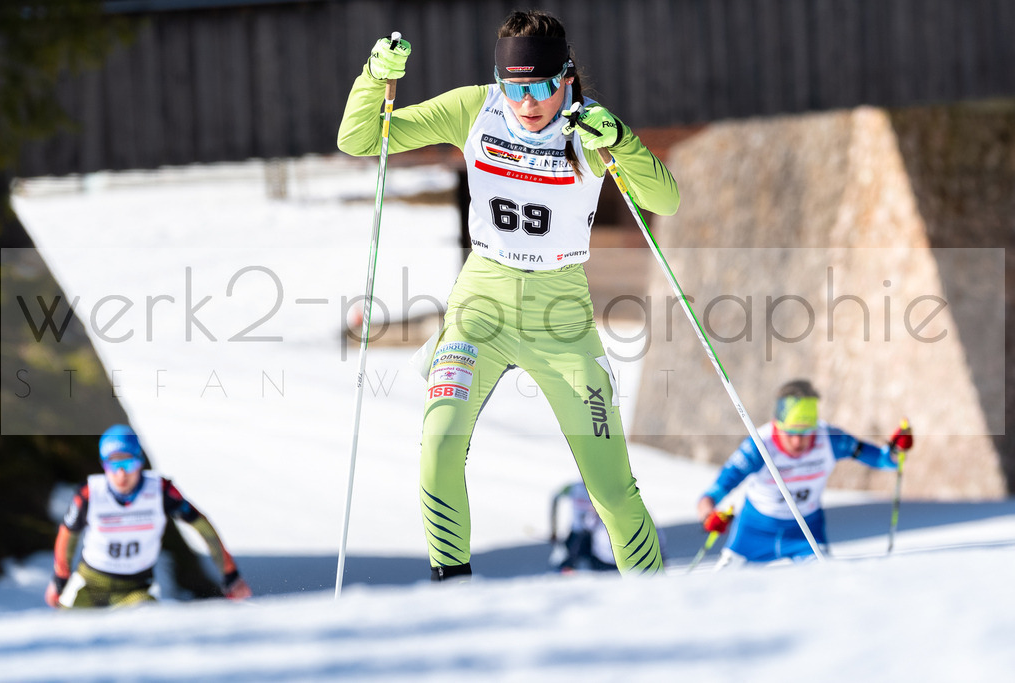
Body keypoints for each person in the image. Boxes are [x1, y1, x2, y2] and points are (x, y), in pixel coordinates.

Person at [338, 10, 680, 581]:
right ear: (500, 84)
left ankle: (653, 599)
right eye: (516, 88)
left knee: (610, 488)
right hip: (481, 309)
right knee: (439, 444)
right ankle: (456, 591)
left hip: (562, 319)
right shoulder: (475, 109)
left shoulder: (589, 127)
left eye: (544, 86)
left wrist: (623, 142)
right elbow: (359, 138)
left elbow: (665, 201)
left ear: (567, 77)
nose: (530, 103)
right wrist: (376, 76)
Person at [696, 379, 914, 567]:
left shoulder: (830, 438)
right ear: (776, 425)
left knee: (826, 585)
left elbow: (884, 460)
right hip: (753, 532)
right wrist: (709, 517)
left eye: (805, 432)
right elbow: (712, 494)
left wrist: (897, 450)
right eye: (790, 432)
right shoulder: (759, 445)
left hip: (805, 533)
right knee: (719, 586)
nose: (798, 441)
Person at [45, 424, 252, 608]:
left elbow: (201, 526)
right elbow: (67, 535)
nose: (121, 475)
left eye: (128, 464)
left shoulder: (161, 491)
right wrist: (59, 579)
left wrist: (230, 574)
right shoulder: (90, 494)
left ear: (140, 462)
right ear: (103, 465)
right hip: (90, 584)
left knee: (144, 625)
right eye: (113, 465)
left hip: (135, 589)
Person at [549, 481, 617, 573]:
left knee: (596, 559)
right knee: (571, 555)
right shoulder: (574, 487)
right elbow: (556, 497)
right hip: (576, 532)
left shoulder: (601, 489)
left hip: (593, 532)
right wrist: (554, 528)